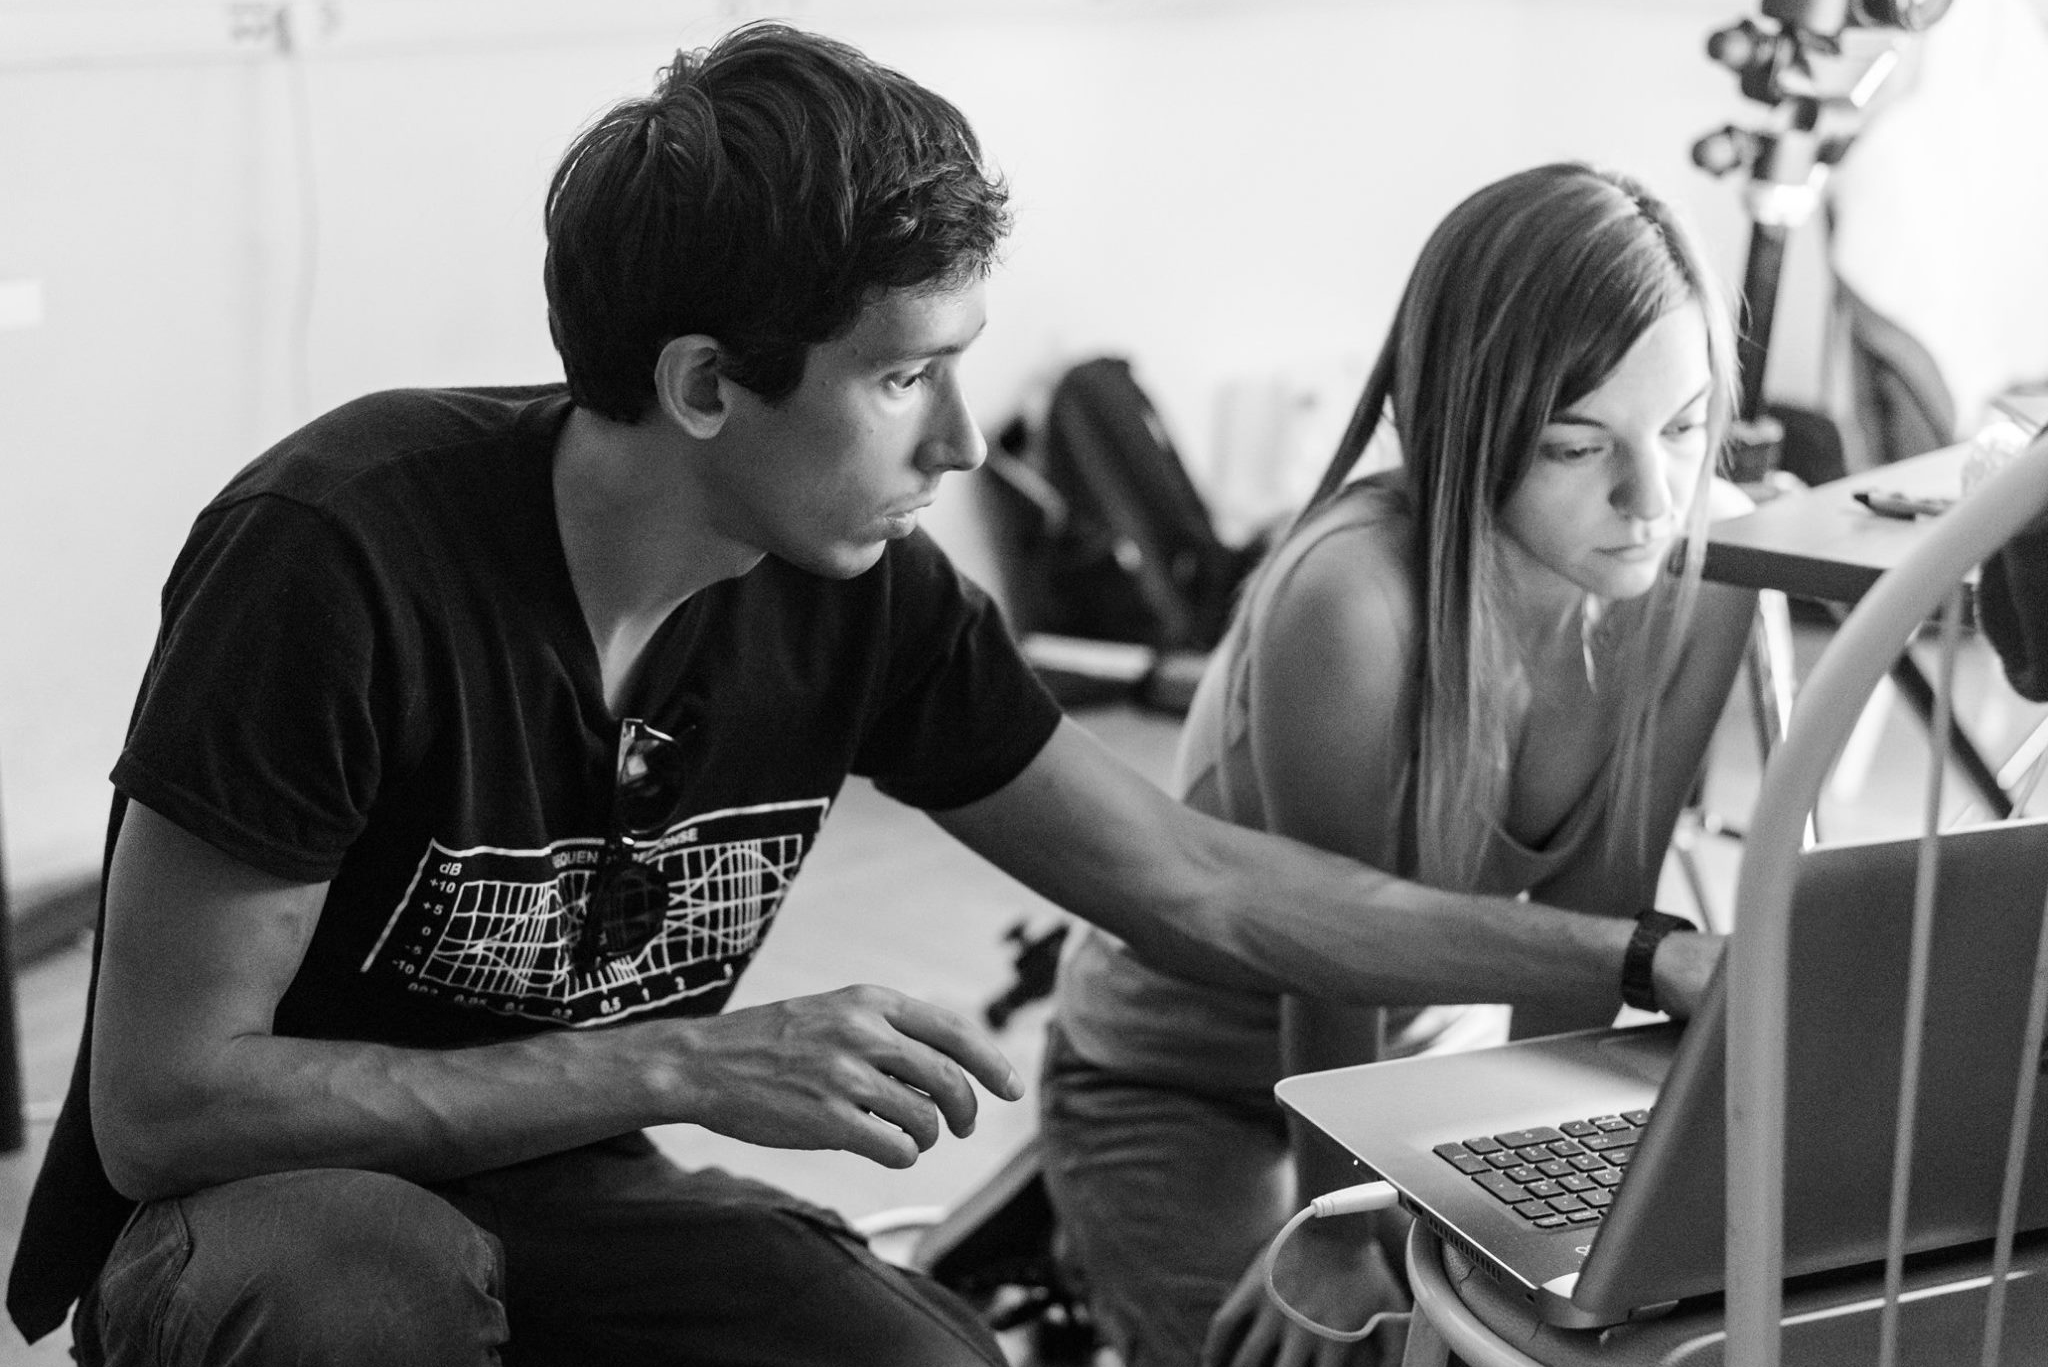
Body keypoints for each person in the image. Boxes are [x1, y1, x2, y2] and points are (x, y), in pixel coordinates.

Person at [4, 29, 1725, 1364]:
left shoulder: (865, 592)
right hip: (254, 1223)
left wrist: (1633, 959)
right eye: (903, 376)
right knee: (361, 1289)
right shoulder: (337, 551)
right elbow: (172, 1103)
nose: (963, 443)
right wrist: (688, 1060)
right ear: (700, 385)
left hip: (562, 1188)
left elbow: (1198, 886)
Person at [1042, 162, 1759, 1367]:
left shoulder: (1702, 568)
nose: (1652, 497)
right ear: (1465, 425)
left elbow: (1582, 958)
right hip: (1178, 1073)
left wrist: (1534, 1231)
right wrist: (1341, 1227)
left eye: (1683, 427)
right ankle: (1082, 1234)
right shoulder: (1352, 597)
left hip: (1423, 1073)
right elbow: (1326, 963)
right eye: (1576, 444)